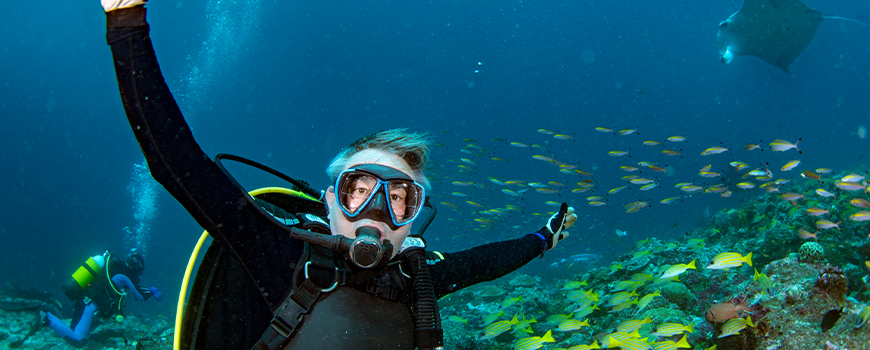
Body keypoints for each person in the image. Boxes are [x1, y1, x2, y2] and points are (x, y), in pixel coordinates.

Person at [100, 1, 578, 349]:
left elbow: (487, 260)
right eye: (360, 190)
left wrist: (543, 237)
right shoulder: (276, 254)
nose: (376, 212)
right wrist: (126, 23)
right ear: (330, 202)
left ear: (414, 218)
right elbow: (173, 161)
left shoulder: (420, 279)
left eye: (398, 200)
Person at [41, 251, 162, 347]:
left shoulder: (115, 267)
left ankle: (47, 314)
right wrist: (152, 291)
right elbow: (140, 296)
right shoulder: (124, 274)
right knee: (79, 341)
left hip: (86, 301)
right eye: (139, 270)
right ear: (135, 266)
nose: (138, 274)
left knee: (72, 329)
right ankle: (46, 319)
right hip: (88, 305)